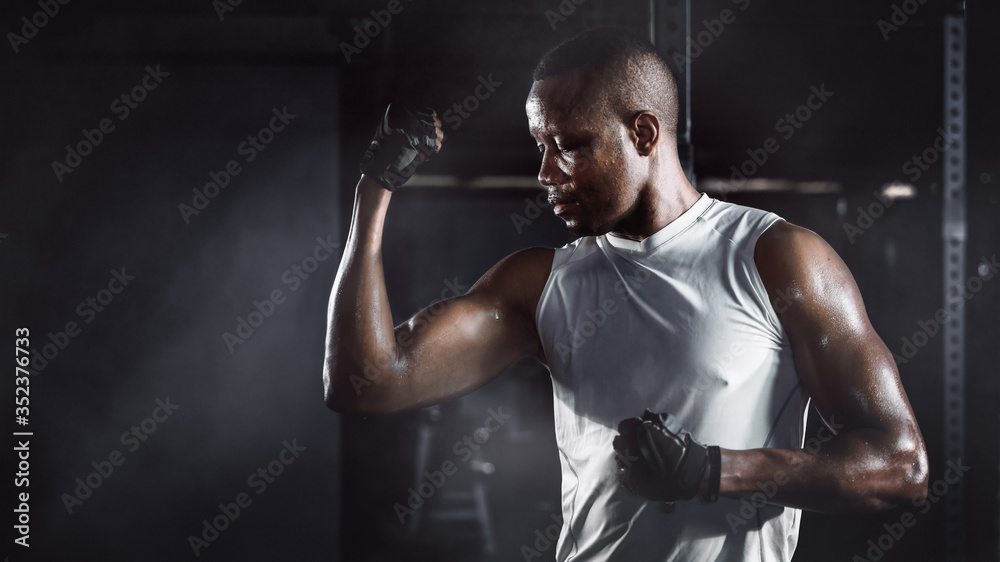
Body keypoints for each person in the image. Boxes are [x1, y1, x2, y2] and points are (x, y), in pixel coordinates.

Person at [323, 26, 928, 561]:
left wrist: (712, 472)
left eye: (568, 145)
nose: (545, 172)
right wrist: (375, 189)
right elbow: (367, 383)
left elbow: (901, 468)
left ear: (643, 133)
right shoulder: (543, 283)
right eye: (541, 147)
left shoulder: (775, 259)